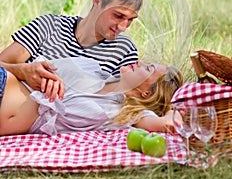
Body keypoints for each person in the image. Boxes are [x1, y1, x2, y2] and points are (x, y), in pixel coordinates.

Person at [0, 0, 143, 100]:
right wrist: (21, 71)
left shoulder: (124, 50)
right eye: (118, 15)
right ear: (97, 0)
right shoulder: (49, 26)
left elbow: (139, 99)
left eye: (130, 19)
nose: (123, 27)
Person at [0, 57, 183, 136]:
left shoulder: (124, 113)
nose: (139, 62)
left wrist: (171, 106)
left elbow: (168, 124)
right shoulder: (92, 69)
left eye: (148, 68)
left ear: (147, 93)